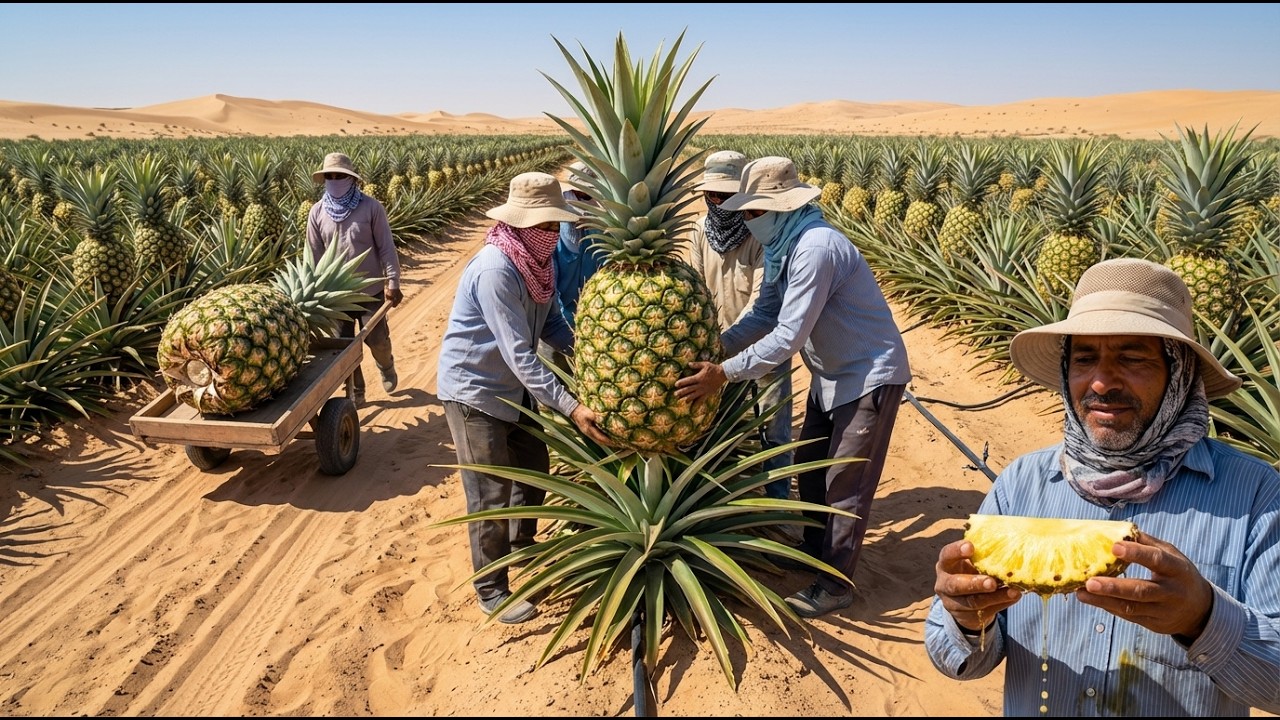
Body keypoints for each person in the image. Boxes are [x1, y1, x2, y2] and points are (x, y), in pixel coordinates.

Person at [924, 257, 1280, 716]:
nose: (1100, 382)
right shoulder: (1022, 484)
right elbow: (956, 658)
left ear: (1180, 374)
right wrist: (966, 618)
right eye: (1085, 358)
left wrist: (1203, 618)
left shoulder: (1256, 496)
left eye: (1132, 359)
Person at [675, 156, 912, 618]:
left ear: (778, 209)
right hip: (831, 375)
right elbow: (764, 314)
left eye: (750, 212)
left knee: (846, 481)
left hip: (868, 376)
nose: (743, 220)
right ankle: (814, 547)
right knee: (809, 463)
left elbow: (787, 336)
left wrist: (722, 374)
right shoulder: (785, 246)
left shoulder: (816, 248)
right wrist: (717, 347)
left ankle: (835, 582)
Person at [437, 171, 611, 625]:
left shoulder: (540, 262)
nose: (554, 233)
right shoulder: (497, 269)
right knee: (489, 491)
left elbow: (551, 324)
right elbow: (519, 354)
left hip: (511, 389)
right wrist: (572, 406)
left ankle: (520, 543)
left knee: (534, 464)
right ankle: (491, 588)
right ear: (519, 224)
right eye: (546, 226)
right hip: (475, 390)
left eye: (557, 225)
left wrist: (595, 353)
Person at [687, 150, 795, 505]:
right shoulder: (699, 231)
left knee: (773, 426)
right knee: (717, 423)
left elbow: (763, 305)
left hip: (763, 347)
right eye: (712, 195)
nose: (717, 201)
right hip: (716, 347)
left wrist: (725, 345)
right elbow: (695, 286)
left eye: (726, 195)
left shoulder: (762, 232)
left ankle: (776, 501)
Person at [306, 152, 402, 403]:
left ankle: (386, 365)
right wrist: (314, 292)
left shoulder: (371, 207)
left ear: (351, 179)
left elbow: (386, 247)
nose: (335, 180)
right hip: (336, 295)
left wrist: (393, 282)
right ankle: (356, 390)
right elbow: (313, 256)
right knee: (344, 348)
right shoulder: (317, 212)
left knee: (377, 339)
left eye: (340, 176)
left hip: (370, 290)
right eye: (330, 176)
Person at [540, 161, 605, 375]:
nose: (586, 199)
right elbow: (549, 277)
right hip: (559, 316)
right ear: (573, 189)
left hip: (593, 316)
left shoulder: (602, 216)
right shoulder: (556, 222)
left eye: (589, 194)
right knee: (556, 368)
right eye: (582, 194)